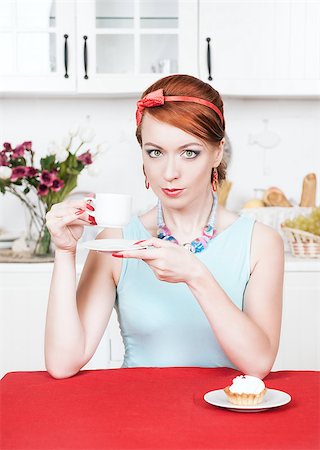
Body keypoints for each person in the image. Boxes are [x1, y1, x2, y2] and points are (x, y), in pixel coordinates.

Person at [45, 74, 284, 379]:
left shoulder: (260, 243)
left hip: (229, 415)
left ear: (217, 152)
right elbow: (63, 363)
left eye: (189, 152)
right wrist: (65, 252)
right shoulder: (117, 240)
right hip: (138, 413)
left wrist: (196, 275)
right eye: (155, 152)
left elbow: (258, 364)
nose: (170, 172)